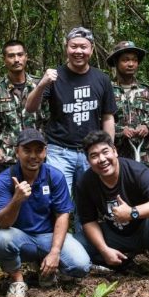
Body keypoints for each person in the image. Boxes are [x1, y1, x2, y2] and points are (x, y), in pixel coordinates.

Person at [0, 129, 91, 297]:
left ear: (46, 151)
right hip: (19, 237)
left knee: (81, 265)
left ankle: (47, 268)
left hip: (48, 237)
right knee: (0, 240)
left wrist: (55, 252)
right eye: (27, 150)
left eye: (39, 150)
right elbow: (3, 223)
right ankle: (18, 281)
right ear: (17, 152)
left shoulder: (54, 176)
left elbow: (62, 215)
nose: (33, 156)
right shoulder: (4, 180)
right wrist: (17, 200)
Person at [25, 27, 117, 217]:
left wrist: (108, 147)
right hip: (59, 151)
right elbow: (30, 108)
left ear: (91, 49)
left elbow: (108, 116)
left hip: (91, 152)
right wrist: (42, 84)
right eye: (74, 46)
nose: (78, 51)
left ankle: (85, 244)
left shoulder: (102, 79)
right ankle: (58, 244)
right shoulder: (54, 77)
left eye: (83, 47)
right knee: (59, 203)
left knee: (89, 203)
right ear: (66, 48)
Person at [74, 131, 149, 284]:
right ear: (88, 161)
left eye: (105, 152)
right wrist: (104, 250)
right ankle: (121, 262)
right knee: (78, 242)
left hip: (144, 230)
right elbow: (88, 220)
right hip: (115, 234)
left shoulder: (136, 171)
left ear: (115, 151)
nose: (102, 159)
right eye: (94, 156)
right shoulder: (85, 182)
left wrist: (133, 212)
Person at [0, 39, 46, 175]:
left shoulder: (40, 85)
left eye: (20, 55)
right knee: (11, 195)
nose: (16, 59)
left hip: (37, 156)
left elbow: (48, 120)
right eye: (11, 56)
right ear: (4, 59)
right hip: (9, 157)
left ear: (26, 57)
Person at [108, 40, 149, 165]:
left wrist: (147, 126)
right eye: (125, 60)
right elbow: (98, 119)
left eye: (134, 60)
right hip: (118, 153)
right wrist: (120, 130)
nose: (131, 64)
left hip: (144, 153)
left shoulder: (146, 90)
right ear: (116, 62)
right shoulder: (107, 90)